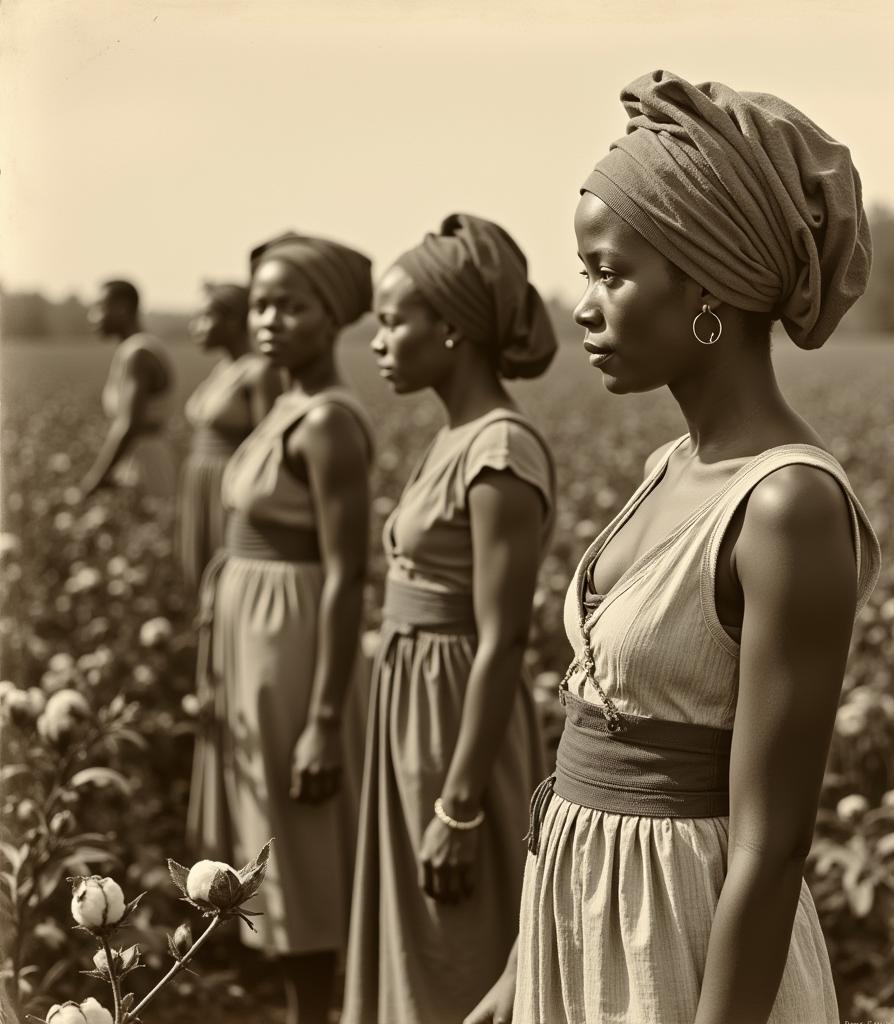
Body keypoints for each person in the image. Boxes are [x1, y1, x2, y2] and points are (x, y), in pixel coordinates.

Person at [469, 71, 882, 1024]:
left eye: (610, 272)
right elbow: (596, 753)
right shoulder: (670, 463)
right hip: (584, 926)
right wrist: (525, 969)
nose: (584, 305)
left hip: (684, 951)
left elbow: (772, 845)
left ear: (710, 284)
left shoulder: (787, 507)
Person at [343, 214, 557, 1024]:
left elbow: (503, 638)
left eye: (395, 321)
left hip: (453, 720)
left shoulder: (501, 450)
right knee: (416, 941)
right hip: (411, 711)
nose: (379, 342)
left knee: (455, 947)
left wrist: (457, 806)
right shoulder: (453, 437)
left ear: (454, 328)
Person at [190, 232, 374, 1024]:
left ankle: (314, 1009)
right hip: (250, 633)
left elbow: (347, 572)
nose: (269, 319)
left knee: (297, 836)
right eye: (260, 303)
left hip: (291, 637)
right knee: (267, 820)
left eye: (291, 305)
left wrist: (324, 720)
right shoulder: (284, 405)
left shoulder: (330, 421)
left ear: (331, 317)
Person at [177, 281, 281, 592]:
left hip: (228, 483)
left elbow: (267, 445)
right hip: (200, 481)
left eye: (205, 317)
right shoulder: (224, 368)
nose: (196, 326)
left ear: (234, 320)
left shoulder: (259, 371)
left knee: (227, 579)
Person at [80, 279, 176, 502]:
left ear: (122, 308)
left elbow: (129, 425)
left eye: (99, 307)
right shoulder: (135, 349)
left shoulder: (138, 354)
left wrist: (95, 479)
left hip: (145, 465)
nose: (92, 316)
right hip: (139, 459)